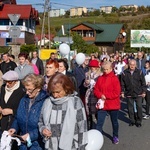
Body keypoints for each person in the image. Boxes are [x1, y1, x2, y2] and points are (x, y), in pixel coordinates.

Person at [38, 73, 88, 150]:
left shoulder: (75, 102)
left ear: (66, 88)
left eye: (58, 92)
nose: (55, 95)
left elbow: (82, 126)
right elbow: (40, 121)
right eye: (53, 92)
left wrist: (82, 146)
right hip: (51, 145)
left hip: (71, 145)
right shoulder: (48, 102)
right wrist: (43, 129)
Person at [8, 74, 48, 150]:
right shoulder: (24, 99)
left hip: (38, 144)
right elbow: (17, 116)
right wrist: (14, 128)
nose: (26, 92)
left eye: (30, 89)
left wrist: (31, 135)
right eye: (25, 89)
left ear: (38, 88)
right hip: (23, 143)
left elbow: (46, 125)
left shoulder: (45, 101)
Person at [94, 61, 121, 144]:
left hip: (113, 104)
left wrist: (105, 95)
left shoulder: (114, 78)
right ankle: (97, 138)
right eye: (104, 69)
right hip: (103, 104)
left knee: (114, 122)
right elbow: (96, 90)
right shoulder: (100, 78)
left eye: (107, 69)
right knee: (99, 123)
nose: (105, 71)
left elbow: (116, 92)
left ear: (111, 68)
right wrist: (100, 95)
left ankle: (115, 136)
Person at [121, 59, 147, 127]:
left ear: (135, 65)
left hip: (138, 93)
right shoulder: (124, 73)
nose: (132, 66)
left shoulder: (140, 72)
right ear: (128, 65)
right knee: (130, 108)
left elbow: (143, 83)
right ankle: (132, 120)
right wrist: (122, 92)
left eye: (133, 65)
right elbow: (122, 84)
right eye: (131, 64)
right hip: (129, 93)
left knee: (139, 107)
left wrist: (144, 92)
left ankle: (138, 121)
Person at [84, 59, 102, 129]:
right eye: (91, 67)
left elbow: (102, 85)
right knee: (89, 111)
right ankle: (90, 127)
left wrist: (96, 84)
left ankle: (99, 127)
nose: (92, 68)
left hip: (96, 94)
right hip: (89, 94)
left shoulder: (100, 75)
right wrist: (86, 83)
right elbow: (85, 85)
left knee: (97, 110)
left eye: (94, 67)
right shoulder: (87, 74)